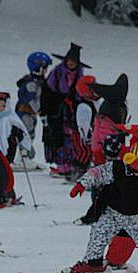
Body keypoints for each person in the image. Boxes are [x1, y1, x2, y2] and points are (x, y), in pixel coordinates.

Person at [66, 125, 138, 273]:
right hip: (112, 214)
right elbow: (98, 173)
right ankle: (92, 262)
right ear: (128, 160)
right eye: (134, 169)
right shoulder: (117, 168)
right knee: (99, 234)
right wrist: (82, 183)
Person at [43, 42, 91, 178]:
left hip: (72, 112)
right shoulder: (56, 73)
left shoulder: (80, 76)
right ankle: (61, 164)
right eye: (69, 60)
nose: (71, 63)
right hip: (57, 110)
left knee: (73, 138)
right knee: (57, 137)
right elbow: (47, 92)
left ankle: (72, 164)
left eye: (74, 61)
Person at [15, 51, 52, 168]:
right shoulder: (31, 83)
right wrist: (40, 111)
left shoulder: (37, 82)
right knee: (26, 134)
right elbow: (32, 100)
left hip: (30, 114)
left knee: (30, 134)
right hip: (25, 112)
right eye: (45, 68)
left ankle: (25, 156)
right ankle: (22, 158)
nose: (46, 71)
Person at [0, 91, 33, 168]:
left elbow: (22, 130)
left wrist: (18, 133)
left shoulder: (10, 117)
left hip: (9, 147)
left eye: (3, 106)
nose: (0, 108)